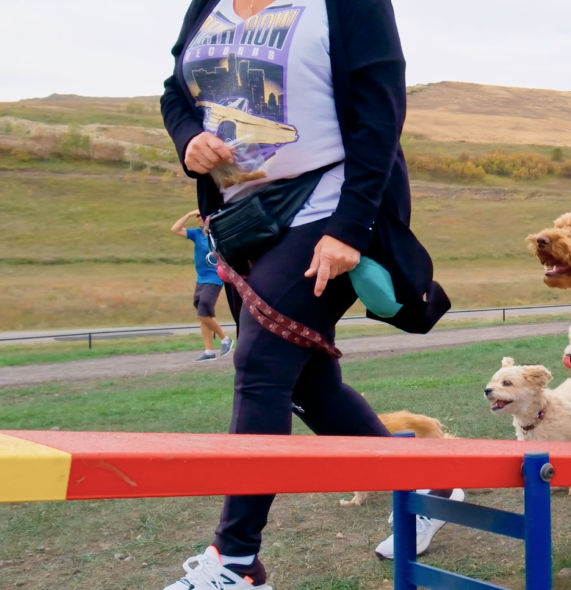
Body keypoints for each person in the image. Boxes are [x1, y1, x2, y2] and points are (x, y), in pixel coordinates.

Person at [159, 0, 453, 588]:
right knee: (309, 384)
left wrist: (351, 228)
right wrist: (189, 137)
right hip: (246, 215)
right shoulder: (209, 4)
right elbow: (176, 91)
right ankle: (425, 484)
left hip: (331, 203)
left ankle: (238, 562)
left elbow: (380, 113)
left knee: (262, 364)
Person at [172, 209, 233, 362]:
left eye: (201, 216)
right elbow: (175, 229)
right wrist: (188, 214)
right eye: (197, 217)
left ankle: (225, 339)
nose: (198, 219)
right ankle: (209, 351)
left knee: (203, 311)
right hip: (201, 279)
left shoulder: (218, 236)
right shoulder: (196, 234)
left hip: (215, 277)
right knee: (203, 315)